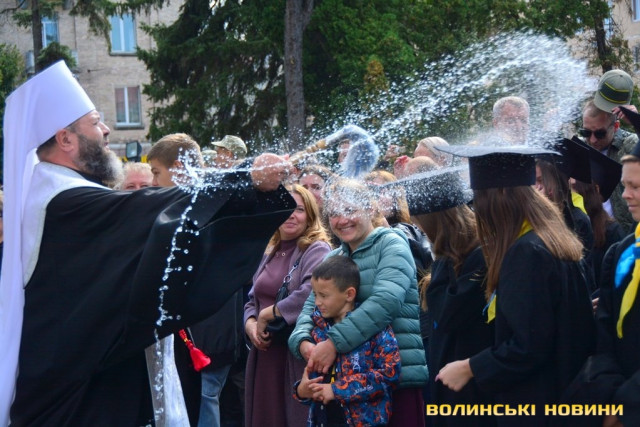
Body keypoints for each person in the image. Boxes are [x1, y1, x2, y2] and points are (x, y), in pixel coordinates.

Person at [1, 61, 295, 426]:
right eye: (95, 122)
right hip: (75, 403)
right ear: (65, 139)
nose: (106, 130)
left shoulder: (56, 194)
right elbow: (147, 210)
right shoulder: (62, 201)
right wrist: (246, 178)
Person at [435, 145, 595, 425]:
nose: (477, 207)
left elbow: (528, 346)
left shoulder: (527, 253)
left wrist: (470, 367)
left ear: (499, 196)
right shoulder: (551, 239)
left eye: (479, 197)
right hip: (564, 395)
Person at [289, 178, 428, 427]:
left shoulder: (392, 244)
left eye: (350, 210)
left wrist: (333, 343)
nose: (342, 220)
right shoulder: (334, 257)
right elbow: (309, 309)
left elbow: (386, 302)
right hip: (343, 388)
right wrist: (304, 344)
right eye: (334, 213)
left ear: (370, 208)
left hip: (392, 381)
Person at [147, 133, 247, 427]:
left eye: (156, 172)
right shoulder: (185, 204)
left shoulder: (211, 202)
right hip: (190, 330)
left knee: (205, 398)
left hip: (211, 331)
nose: (153, 182)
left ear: (178, 168)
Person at [244, 184, 331, 427]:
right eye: (285, 209)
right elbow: (252, 298)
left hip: (292, 352)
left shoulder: (316, 248)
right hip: (264, 353)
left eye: (299, 210)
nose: (291, 215)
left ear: (310, 215)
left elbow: (312, 291)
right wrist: (250, 324)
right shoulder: (270, 250)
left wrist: (269, 314)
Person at [293, 256, 401, 426]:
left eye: (324, 295)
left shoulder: (374, 329)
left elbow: (389, 375)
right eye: (315, 295)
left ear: (349, 294)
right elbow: (312, 382)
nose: (317, 302)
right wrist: (301, 391)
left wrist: (336, 390)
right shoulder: (316, 330)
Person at [581, 92, 638, 233]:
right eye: (586, 132)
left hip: (625, 233)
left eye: (600, 133)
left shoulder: (630, 144)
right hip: (591, 233)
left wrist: (637, 123)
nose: (593, 140)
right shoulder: (580, 148)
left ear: (616, 126)